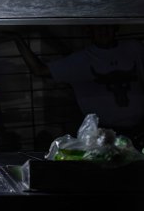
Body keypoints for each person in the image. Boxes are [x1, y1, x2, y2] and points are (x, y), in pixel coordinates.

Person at [11, 25, 144, 149]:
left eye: (107, 26)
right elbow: (39, 70)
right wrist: (18, 39)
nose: (103, 31)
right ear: (89, 31)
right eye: (97, 28)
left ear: (115, 27)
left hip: (139, 130)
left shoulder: (134, 48)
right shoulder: (82, 60)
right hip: (103, 135)